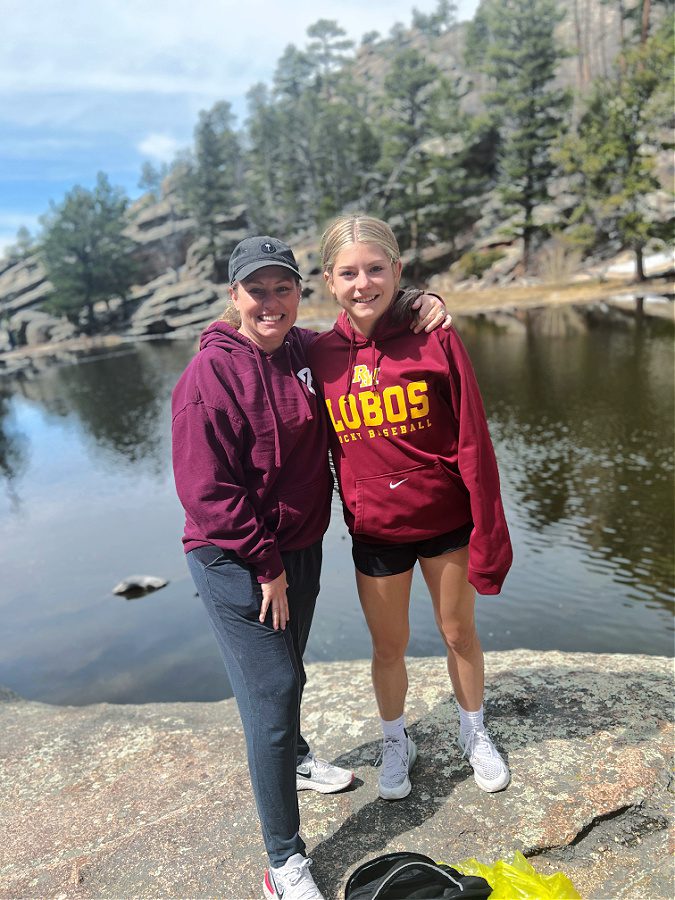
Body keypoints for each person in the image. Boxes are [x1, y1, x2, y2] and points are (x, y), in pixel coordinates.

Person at [171, 235, 450, 900]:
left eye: (283, 288)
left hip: (296, 546)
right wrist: (264, 565)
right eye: (256, 290)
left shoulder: (300, 348)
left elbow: (360, 326)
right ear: (233, 297)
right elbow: (206, 494)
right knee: (269, 694)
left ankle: (294, 760)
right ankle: (282, 860)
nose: (271, 302)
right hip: (234, 556)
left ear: (300, 292)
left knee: (290, 669)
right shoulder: (207, 378)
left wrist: (415, 303)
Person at [306, 214, 513, 804]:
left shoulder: (436, 337)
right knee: (387, 645)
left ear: (397, 272)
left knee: (458, 631)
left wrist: (490, 528)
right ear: (328, 280)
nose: (362, 283)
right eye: (348, 273)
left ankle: (473, 730)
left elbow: (474, 436)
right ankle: (396, 739)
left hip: (446, 520)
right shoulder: (318, 356)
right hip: (376, 530)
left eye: (376, 269)